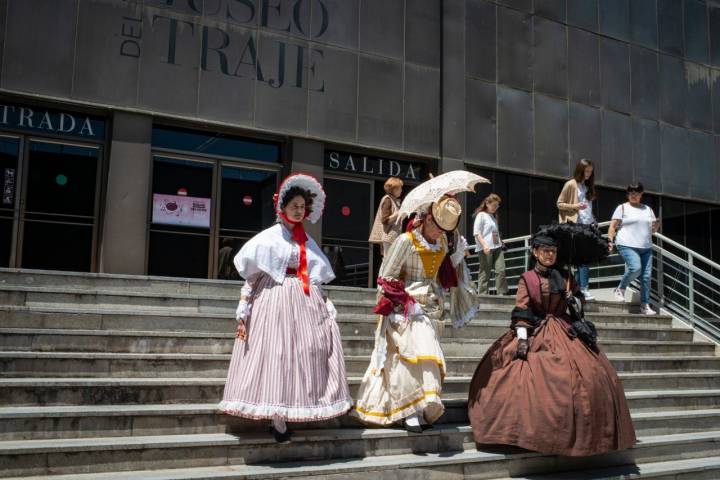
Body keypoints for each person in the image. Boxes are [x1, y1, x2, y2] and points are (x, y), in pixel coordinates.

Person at [467, 231, 636, 456]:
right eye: (545, 251)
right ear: (535, 253)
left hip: (564, 328)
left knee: (589, 374)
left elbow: (578, 307)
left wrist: (572, 298)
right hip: (536, 328)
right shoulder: (527, 278)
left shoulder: (566, 277)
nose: (549, 255)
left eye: (553, 252)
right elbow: (523, 309)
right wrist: (523, 340)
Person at [218, 174, 353, 443]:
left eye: (303, 207)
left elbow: (314, 273)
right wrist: (244, 305)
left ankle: (294, 407)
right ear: (283, 206)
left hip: (304, 302)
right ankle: (277, 418)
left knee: (305, 352)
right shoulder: (268, 237)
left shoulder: (307, 241)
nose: (299, 210)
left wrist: (325, 301)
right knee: (277, 355)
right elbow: (252, 274)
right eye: (295, 205)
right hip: (274, 300)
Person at [351, 196, 476, 432]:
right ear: (427, 218)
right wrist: (401, 305)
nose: (440, 234)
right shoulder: (405, 241)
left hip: (429, 308)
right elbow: (386, 277)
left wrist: (455, 258)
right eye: (438, 227)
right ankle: (408, 411)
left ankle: (419, 407)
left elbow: (442, 278)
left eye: (445, 230)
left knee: (425, 357)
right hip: (402, 308)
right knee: (404, 359)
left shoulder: (442, 245)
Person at [607, 182, 660, 315]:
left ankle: (644, 305)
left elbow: (653, 230)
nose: (633, 196)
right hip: (626, 244)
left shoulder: (648, 209)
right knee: (635, 268)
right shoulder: (622, 208)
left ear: (641, 194)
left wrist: (656, 225)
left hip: (646, 246)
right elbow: (613, 226)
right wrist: (610, 241)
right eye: (631, 193)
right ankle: (620, 289)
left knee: (646, 277)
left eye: (636, 193)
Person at [557, 158, 597, 301]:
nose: (588, 174)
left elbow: (588, 208)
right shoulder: (571, 184)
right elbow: (559, 204)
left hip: (587, 226)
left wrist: (593, 221)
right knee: (583, 258)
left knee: (582, 259)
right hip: (574, 226)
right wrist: (575, 206)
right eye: (586, 171)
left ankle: (579, 288)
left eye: (590, 172)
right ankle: (583, 288)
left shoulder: (587, 187)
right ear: (580, 170)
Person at [473, 193, 508, 295]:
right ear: (487, 204)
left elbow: (494, 232)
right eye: (494, 205)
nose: (495, 208)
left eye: (497, 206)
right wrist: (484, 245)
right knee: (485, 272)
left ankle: (502, 293)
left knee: (501, 270)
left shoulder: (493, 217)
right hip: (485, 248)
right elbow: (476, 233)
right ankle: (482, 295)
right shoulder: (481, 215)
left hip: (497, 247)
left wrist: (500, 242)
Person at [369, 177, 404, 255]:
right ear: (394, 189)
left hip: (392, 237)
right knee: (388, 263)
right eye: (400, 188)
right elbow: (384, 220)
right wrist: (398, 213)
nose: (401, 190)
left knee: (389, 263)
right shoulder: (387, 200)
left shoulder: (394, 200)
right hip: (389, 237)